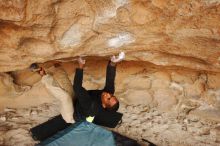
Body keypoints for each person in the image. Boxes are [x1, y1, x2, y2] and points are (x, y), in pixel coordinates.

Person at [73, 52, 125, 126]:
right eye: (112, 96)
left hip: (75, 110)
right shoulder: (109, 93)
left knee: (63, 95)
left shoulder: (91, 106)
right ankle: (57, 67)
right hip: (81, 98)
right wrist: (113, 63)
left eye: (108, 99)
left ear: (104, 105)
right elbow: (110, 78)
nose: (108, 94)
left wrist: (81, 65)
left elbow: (77, 87)